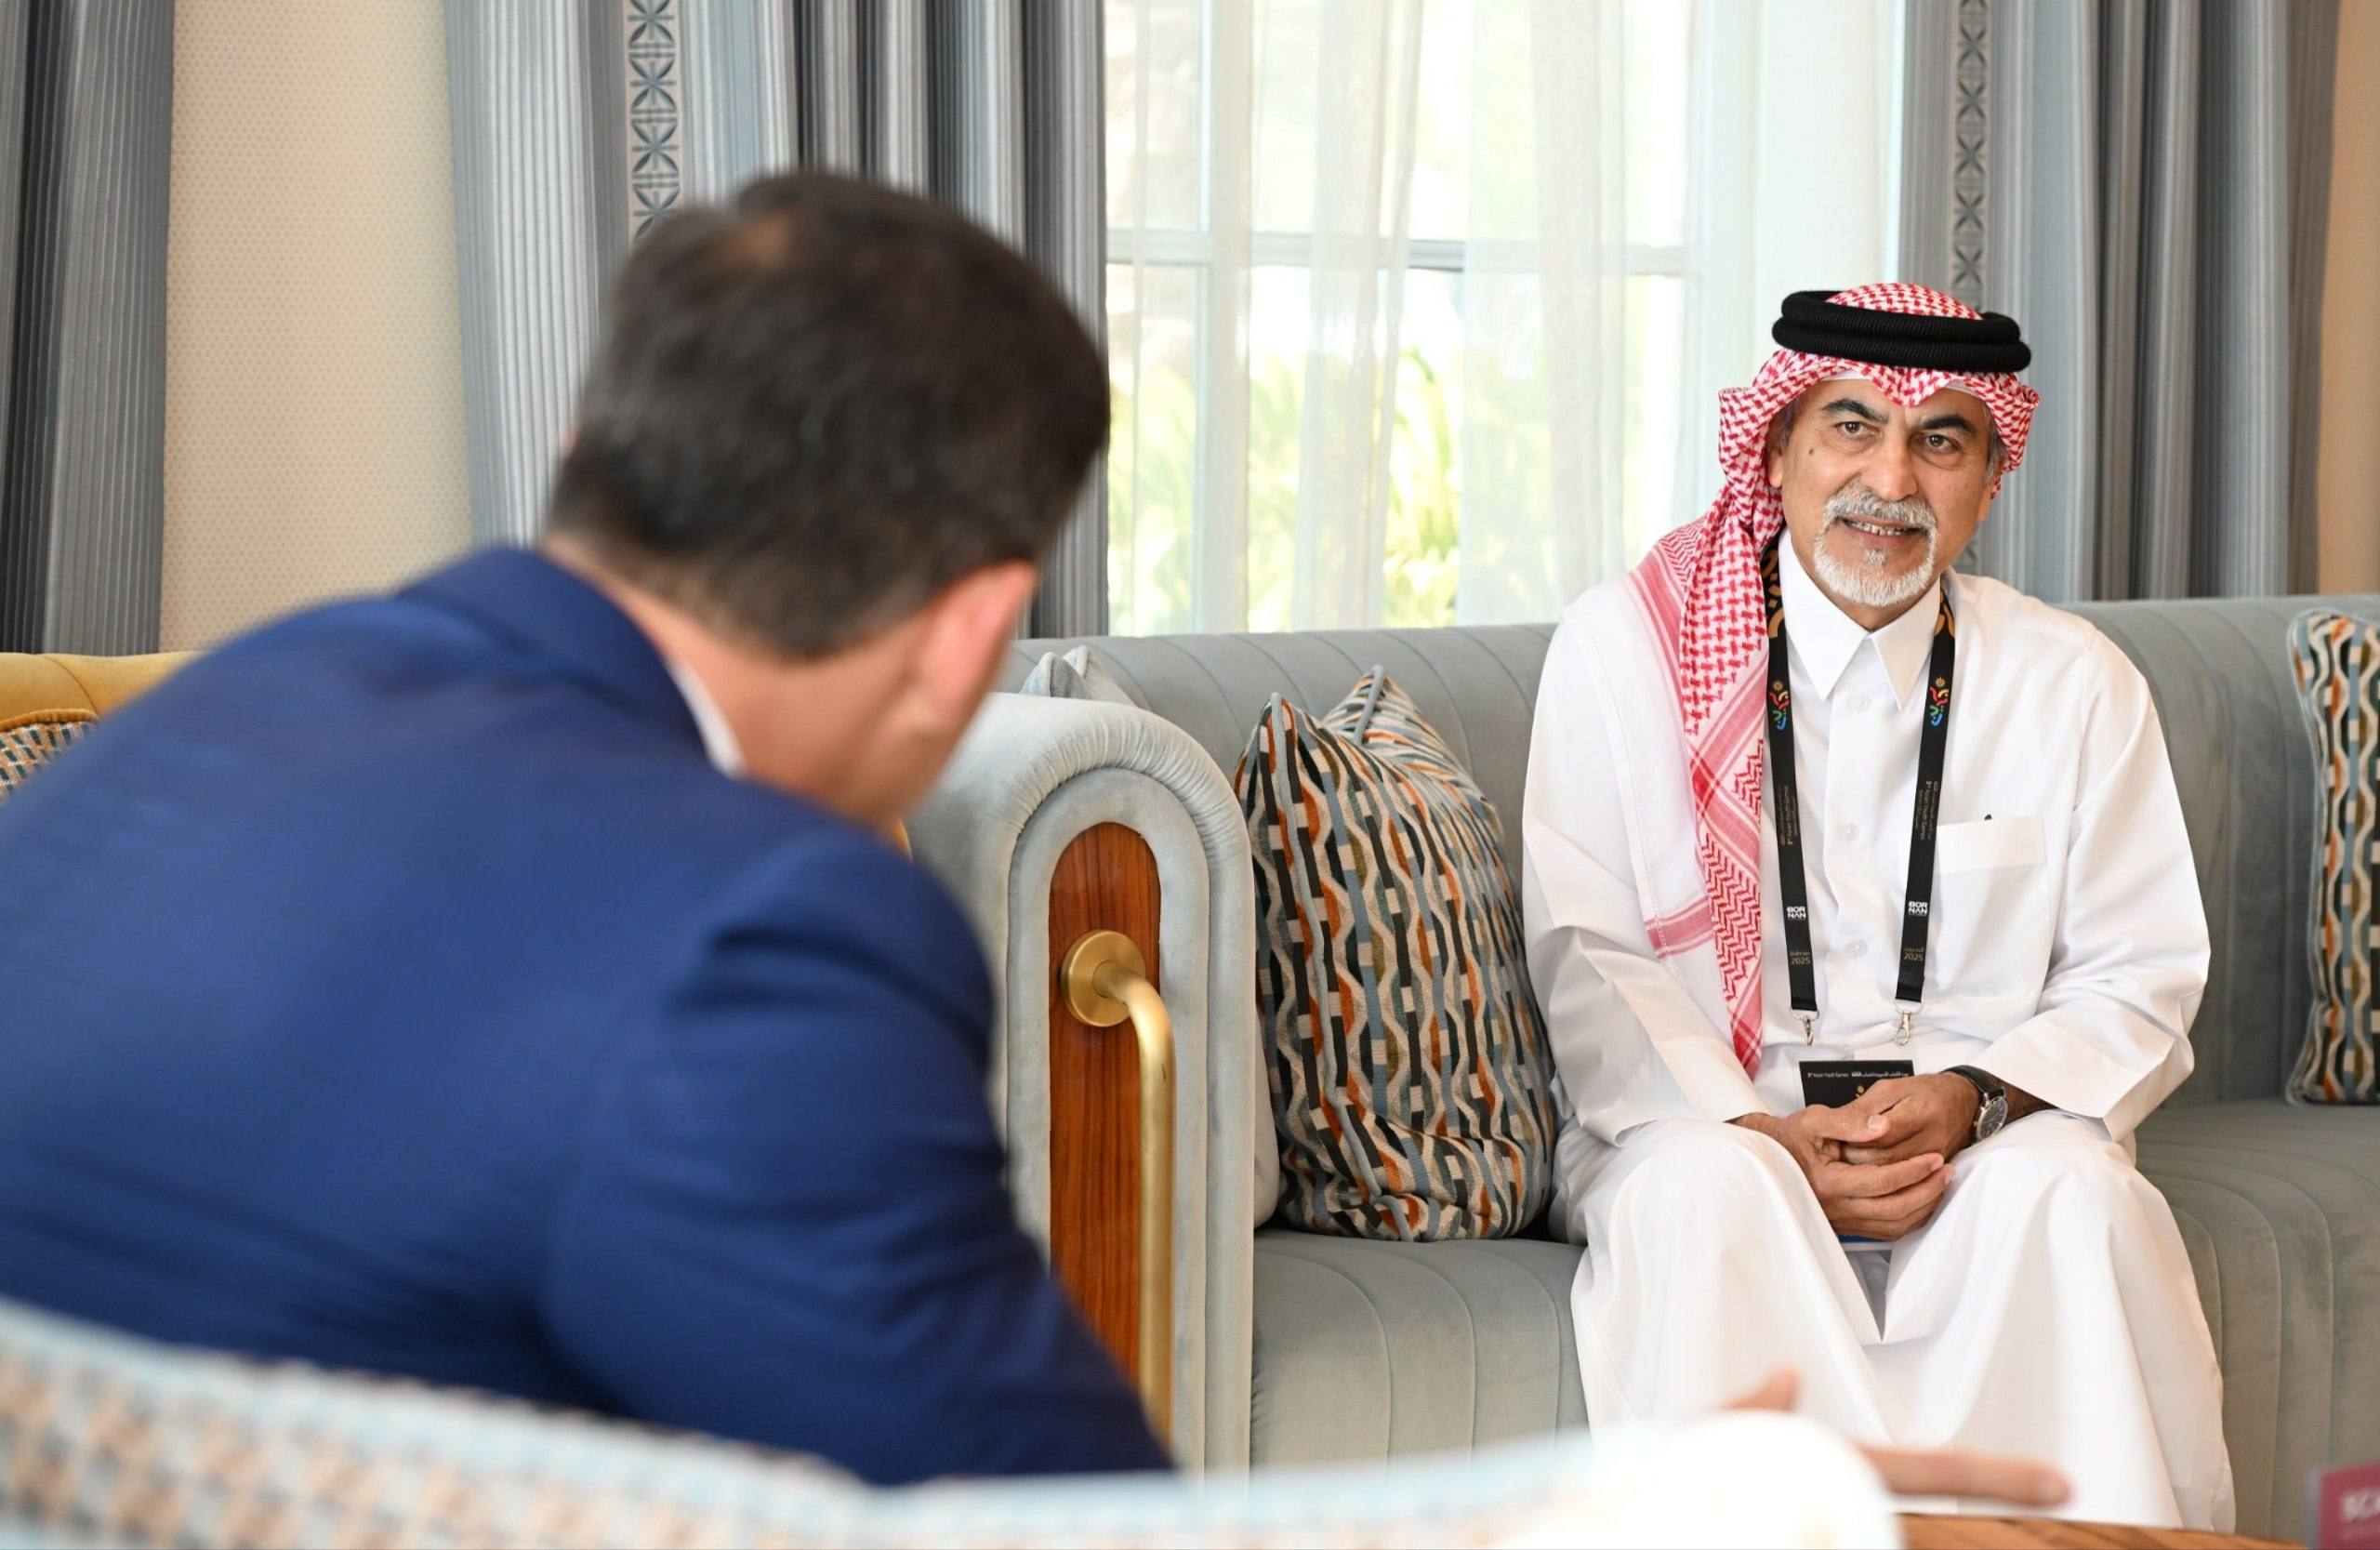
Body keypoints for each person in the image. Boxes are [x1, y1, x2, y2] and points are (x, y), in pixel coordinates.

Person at [0, 173, 1166, 1486]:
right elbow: (1052, 1515)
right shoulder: (762, 934)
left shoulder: (227, 706)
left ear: (581, 459)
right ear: (968, 634)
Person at [1521, 284, 2231, 1529]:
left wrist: (1976, 1098)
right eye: (1851, 427)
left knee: (2073, 1195)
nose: (1890, 479)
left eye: (1941, 441)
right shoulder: (1622, 653)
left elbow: (2139, 974)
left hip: (1978, 1135)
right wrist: (1764, 1134)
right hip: (1705, 1121)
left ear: (1989, 483)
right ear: (1778, 451)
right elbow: (1591, 954)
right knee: (1708, 1194)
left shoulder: (2073, 684)